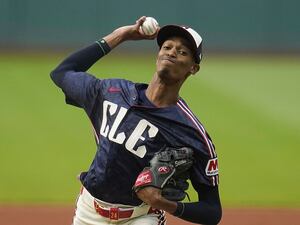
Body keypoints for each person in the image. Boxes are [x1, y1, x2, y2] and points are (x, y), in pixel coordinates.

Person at [50, 16, 222, 225]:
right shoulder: (112, 92)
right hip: (88, 213)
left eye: (183, 51)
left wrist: (165, 203)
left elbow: (212, 211)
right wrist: (121, 35)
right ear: (158, 54)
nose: (172, 51)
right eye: (167, 46)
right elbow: (62, 72)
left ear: (193, 68)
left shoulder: (191, 131)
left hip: (142, 217)